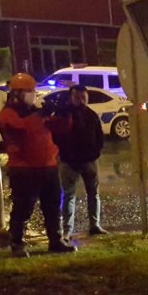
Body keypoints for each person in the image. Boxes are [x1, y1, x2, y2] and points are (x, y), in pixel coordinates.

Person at [0, 72, 76, 257]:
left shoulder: (33, 112)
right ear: (18, 93)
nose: (33, 94)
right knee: (23, 208)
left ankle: (55, 241)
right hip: (24, 168)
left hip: (47, 165)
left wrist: (65, 113)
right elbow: (23, 128)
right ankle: (17, 242)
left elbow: (58, 127)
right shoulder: (9, 113)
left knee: (52, 206)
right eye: (29, 91)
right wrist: (42, 114)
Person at [52, 85, 107, 240]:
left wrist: (96, 152)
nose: (82, 100)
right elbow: (56, 137)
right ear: (71, 98)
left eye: (84, 97)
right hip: (69, 161)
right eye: (78, 97)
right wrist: (63, 154)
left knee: (93, 194)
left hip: (89, 160)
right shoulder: (63, 114)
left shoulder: (91, 115)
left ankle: (94, 225)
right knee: (69, 195)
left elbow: (99, 136)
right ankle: (67, 230)